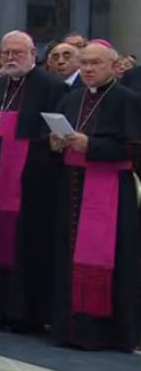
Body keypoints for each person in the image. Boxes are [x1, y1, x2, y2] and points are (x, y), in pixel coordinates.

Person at [49, 43, 140, 352]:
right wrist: (57, 143)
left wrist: (93, 146)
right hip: (71, 187)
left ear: (114, 67)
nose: (88, 69)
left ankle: (105, 333)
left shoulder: (128, 100)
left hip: (111, 189)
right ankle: (70, 329)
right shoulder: (71, 98)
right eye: (84, 63)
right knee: (68, 255)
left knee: (112, 258)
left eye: (95, 63)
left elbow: (134, 148)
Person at [0, 30, 68, 332]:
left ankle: (28, 314)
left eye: (18, 52)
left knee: (27, 244)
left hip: (32, 183)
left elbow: (58, 133)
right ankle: (1, 309)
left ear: (33, 54)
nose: (11, 58)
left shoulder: (51, 86)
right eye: (6, 52)